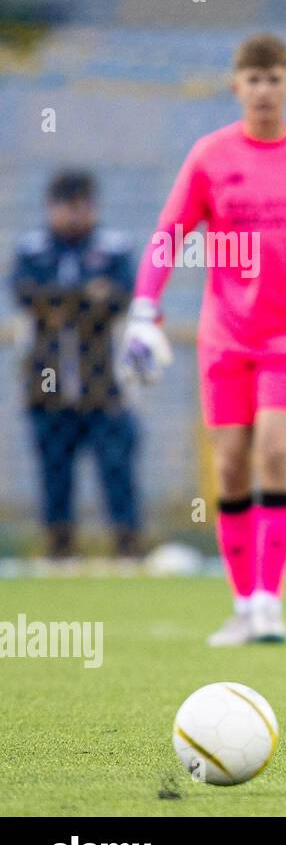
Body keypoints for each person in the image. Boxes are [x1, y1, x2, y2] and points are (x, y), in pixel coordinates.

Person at [120, 33, 286, 647]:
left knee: (274, 451)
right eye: (253, 78)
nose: (264, 90)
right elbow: (170, 234)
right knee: (232, 466)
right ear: (235, 86)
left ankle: (270, 601)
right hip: (226, 338)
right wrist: (142, 312)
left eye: (275, 78)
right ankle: (242, 602)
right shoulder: (211, 157)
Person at [12, 170, 141, 559]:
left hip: (104, 383)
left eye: (80, 205)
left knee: (116, 466)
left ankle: (127, 543)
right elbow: (27, 295)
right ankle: (59, 545)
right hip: (48, 382)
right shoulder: (33, 248)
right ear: (51, 208)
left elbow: (119, 297)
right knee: (54, 469)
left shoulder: (112, 247)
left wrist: (63, 303)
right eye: (65, 206)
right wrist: (86, 297)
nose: (72, 215)